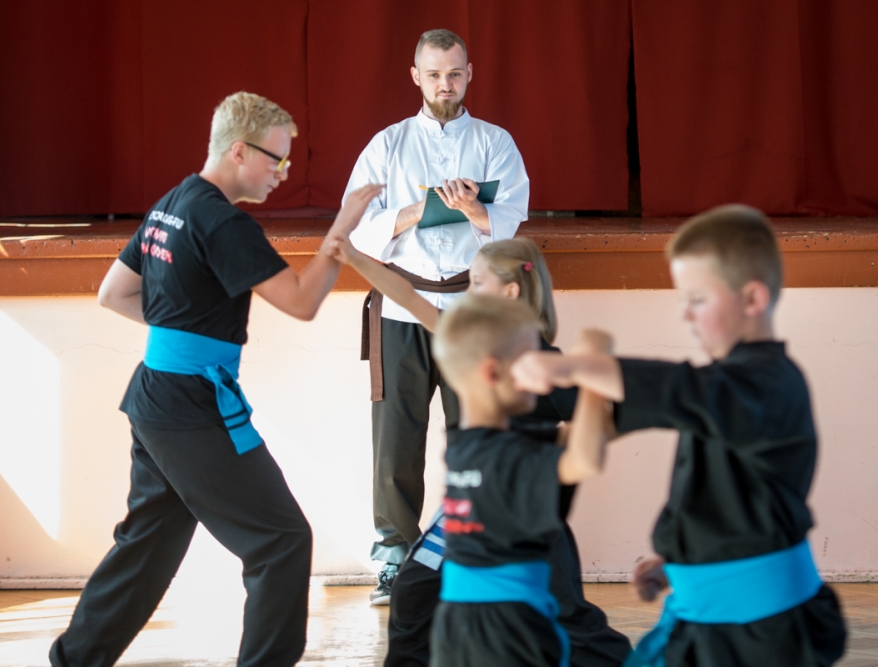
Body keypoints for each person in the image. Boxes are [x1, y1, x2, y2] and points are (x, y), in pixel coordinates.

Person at [49, 91, 383, 667]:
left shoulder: (173, 202)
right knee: (281, 541)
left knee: (146, 548)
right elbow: (302, 302)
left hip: (155, 396)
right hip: (189, 407)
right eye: (276, 159)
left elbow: (114, 294)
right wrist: (341, 232)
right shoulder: (224, 223)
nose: (283, 173)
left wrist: (182, 332)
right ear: (238, 151)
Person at [512, 205, 848, 667]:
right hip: (714, 616)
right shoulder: (725, 387)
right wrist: (682, 564)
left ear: (752, 298)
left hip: (762, 633)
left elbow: (675, 390)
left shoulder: (769, 383)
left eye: (697, 299)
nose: (685, 314)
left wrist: (569, 366)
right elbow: (733, 505)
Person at [326, 233, 632, 666]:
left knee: (567, 614)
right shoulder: (471, 338)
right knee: (413, 587)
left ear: (510, 291)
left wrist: (594, 372)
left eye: (477, 281)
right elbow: (407, 298)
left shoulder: (544, 361)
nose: (467, 291)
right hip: (469, 502)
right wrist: (355, 256)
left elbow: (601, 419)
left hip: (524, 515)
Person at [343, 27, 529, 603]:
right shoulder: (388, 146)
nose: (444, 85)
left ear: (469, 74)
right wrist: (414, 212)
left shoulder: (496, 143)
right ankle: (394, 559)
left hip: (474, 312)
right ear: (415, 77)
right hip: (405, 305)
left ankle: (477, 555)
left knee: (478, 437)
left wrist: (473, 208)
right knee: (396, 443)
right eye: (434, 75)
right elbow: (354, 228)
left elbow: (513, 217)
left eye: (454, 74)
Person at [425, 294, 613, 667]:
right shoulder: (504, 456)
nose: (544, 373)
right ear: (494, 373)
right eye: (532, 361)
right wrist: (592, 368)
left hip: (458, 623)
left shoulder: (467, 446)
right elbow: (585, 459)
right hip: (507, 626)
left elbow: (585, 436)